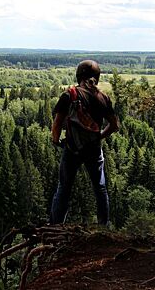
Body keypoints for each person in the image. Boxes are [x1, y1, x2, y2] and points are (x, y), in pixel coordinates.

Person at [50, 60, 120, 225]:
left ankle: (55, 226)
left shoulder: (70, 95)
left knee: (64, 189)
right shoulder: (103, 98)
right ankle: (103, 226)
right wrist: (99, 136)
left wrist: (56, 140)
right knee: (100, 188)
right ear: (97, 77)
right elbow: (114, 125)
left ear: (79, 75)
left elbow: (58, 122)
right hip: (94, 150)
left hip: (72, 148)